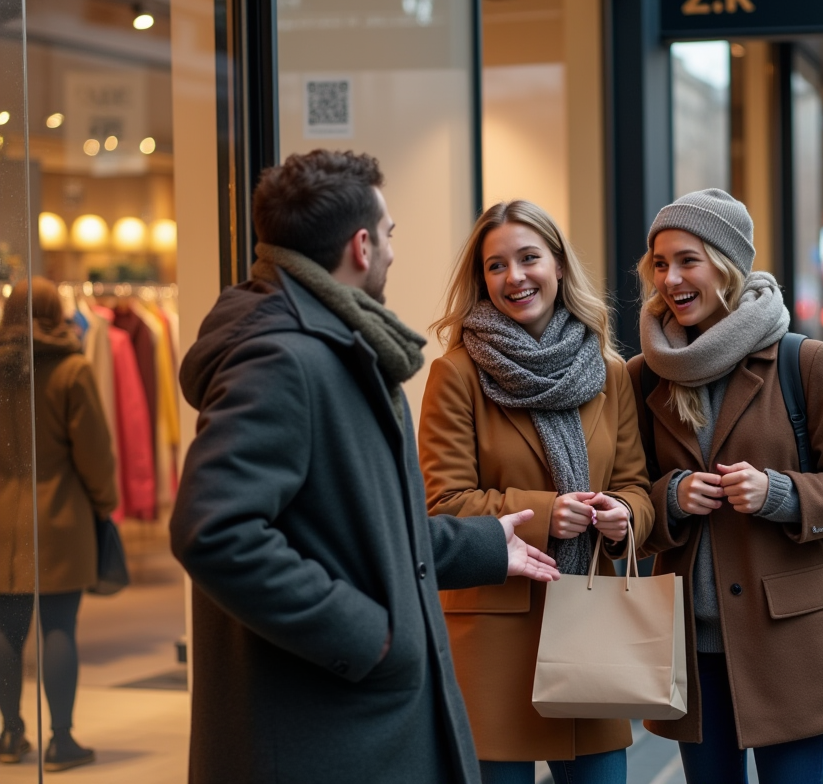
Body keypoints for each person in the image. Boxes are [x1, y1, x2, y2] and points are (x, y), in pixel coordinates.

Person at [170, 150, 561, 784]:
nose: (391, 251)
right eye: (388, 235)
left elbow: (354, 524)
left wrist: (484, 544)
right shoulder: (283, 358)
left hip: (347, 729)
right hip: (325, 735)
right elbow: (213, 531)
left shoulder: (328, 341)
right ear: (360, 245)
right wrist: (368, 638)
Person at [626, 189, 823, 784]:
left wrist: (780, 493)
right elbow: (631, 495)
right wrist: (671, 498)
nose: (670, 278)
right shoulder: (644, 376)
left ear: (726, 264)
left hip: (792, 639)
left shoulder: (805, 362)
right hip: (691, 646)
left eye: (688, 260)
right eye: (660, 264)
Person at [419, 200, 654, 784]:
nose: (515, 276)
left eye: (529, 258)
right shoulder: (456, 375)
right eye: (496, 266)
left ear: (558, 266)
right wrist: (549, 513)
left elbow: (634, 486)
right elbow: (441, 505)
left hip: (589, 623)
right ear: (482, 281)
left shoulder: (609, 371)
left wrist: (623, 515)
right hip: (496, 638)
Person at [0, 277, 118, 771]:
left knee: (7, 632)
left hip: (3, 518)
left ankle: (10, 735)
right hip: (61, 517)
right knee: (59, 628)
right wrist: (104, 501)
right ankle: (62, 740)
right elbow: (93, 452)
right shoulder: (71, 370)